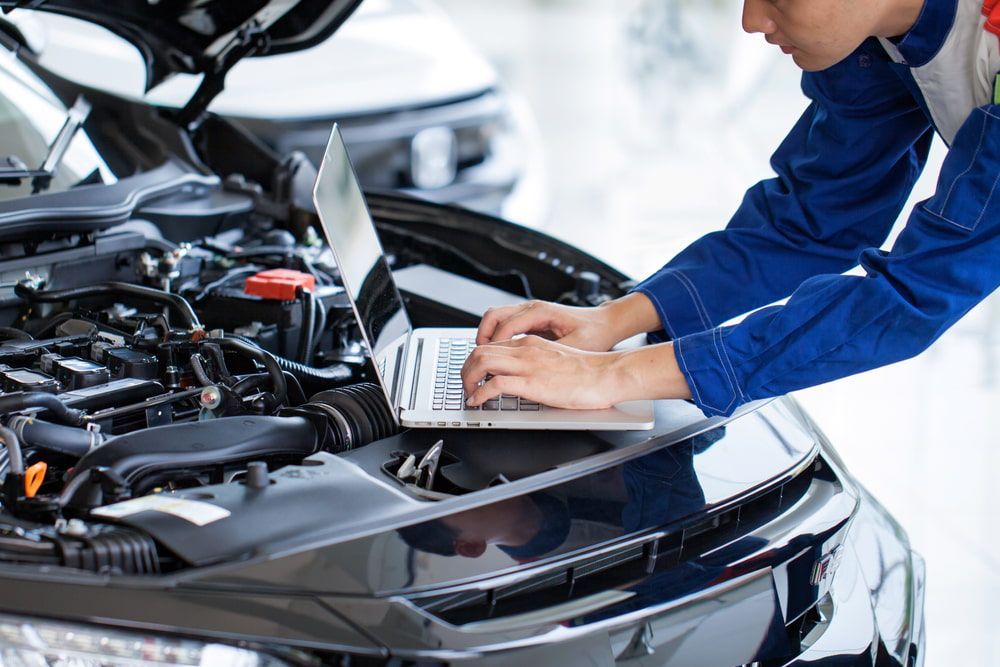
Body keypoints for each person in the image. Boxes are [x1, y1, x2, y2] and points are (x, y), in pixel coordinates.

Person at [461, 0, 1000, 418]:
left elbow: (911, 295)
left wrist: (613, 376)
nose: (751, 21)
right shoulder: (871, 38)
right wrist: (614, 320)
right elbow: (812, 222)